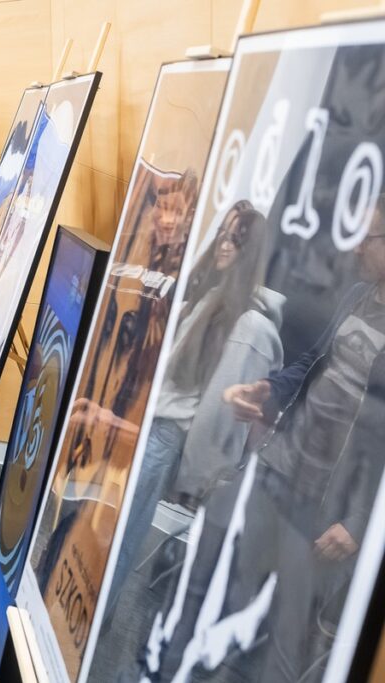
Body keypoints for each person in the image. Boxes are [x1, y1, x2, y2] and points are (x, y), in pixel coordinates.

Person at [148, 198, 385, 682]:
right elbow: (310, 365)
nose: (357, 244)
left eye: (370, 237)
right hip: (279, 471)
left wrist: (360, 521)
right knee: (223, 605)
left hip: (327, 510)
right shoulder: (357, 295)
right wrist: (268, 392)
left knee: (282, 648)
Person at [103, 201, 282, 621]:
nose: (223, 245)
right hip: (149, 425)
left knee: (121, 538)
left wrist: (196, 479)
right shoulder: (208, 296)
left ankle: (96, 622)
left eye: (235, 240)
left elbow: (219, 411)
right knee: (110, 529)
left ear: (249, 250)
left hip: (166, 436)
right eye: (223, 233)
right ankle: (91, 619)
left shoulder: (247, 322)